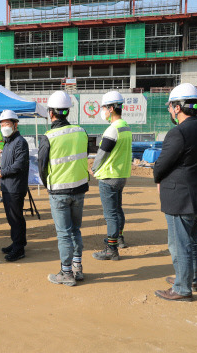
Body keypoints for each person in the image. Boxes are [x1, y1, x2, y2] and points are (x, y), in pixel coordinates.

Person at [154, 83, 197, 302]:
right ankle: (189, 279)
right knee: (190, 240)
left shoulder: (178, 132)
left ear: (178, 107)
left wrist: (157, 177)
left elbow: (162, 164)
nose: (170, 110)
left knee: (178, 243)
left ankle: (182, 288)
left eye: (171, 106)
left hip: (181, 198)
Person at [38, 92, 89, 286]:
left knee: (64, 233)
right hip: (79, 189)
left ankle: (66, 273)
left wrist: (49, 185)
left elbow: (42, 167)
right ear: (67, 111)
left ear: (51, 113)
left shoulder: (49, 137)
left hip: (58, 192)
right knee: (76, 230)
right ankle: (78, 268)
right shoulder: (81, 131)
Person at [91, 91, 133, 261]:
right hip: (121, 175)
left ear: (110, 108)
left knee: (110, 214)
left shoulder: (112, 129)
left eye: (104, 108)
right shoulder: (126, 127)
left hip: (108, 177)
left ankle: (111, 248)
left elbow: (102, 154)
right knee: (117, 209)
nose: (103, 111)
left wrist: (94, 168)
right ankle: (119, 238)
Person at [0, 110, 29, 262]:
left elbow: (19, 165)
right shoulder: (8, 142)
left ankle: (19, 248)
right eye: (1, 124)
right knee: (12, 218)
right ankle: (17, 242)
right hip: (8, 187)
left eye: (7, 123)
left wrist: (3, 172)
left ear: (15, 124)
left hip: (15, 187)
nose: (4, 127)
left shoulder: (20, 142)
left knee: (16, 218)